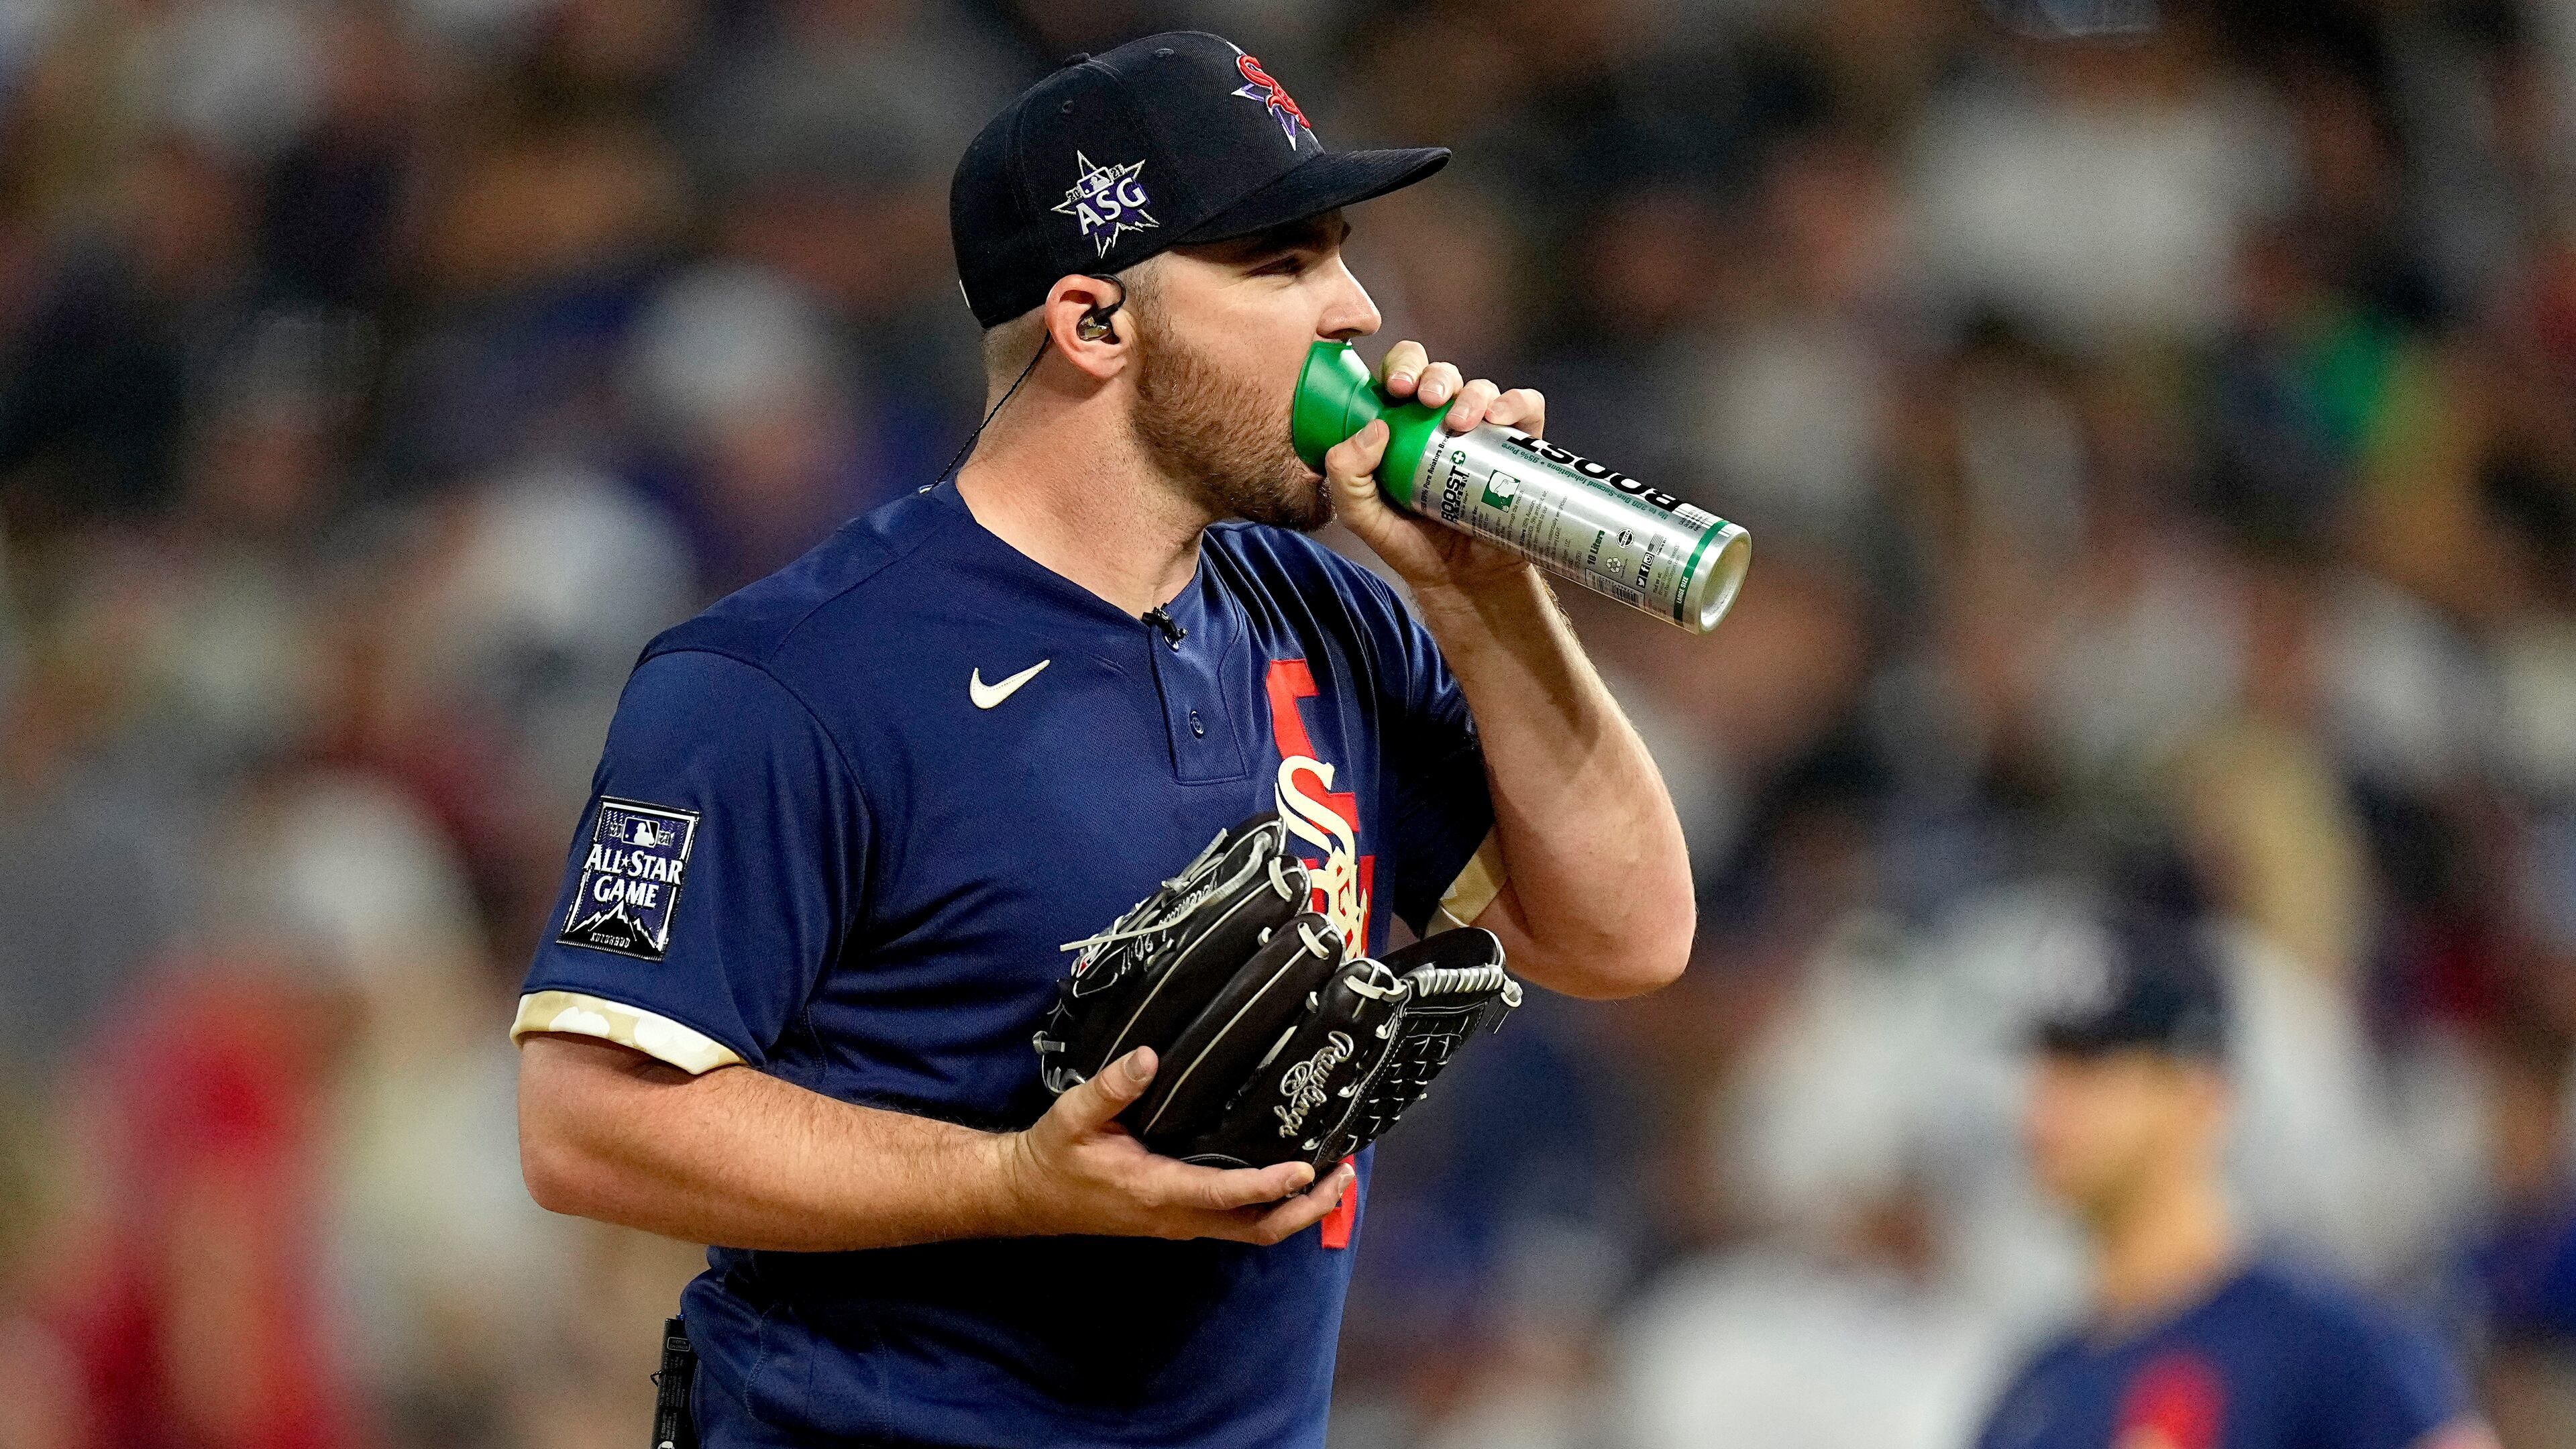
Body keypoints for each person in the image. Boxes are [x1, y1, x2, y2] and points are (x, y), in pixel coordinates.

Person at [509, 31, 1695, 1449]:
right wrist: (1013, 1182)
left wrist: (1485, 600)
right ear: (1094, 324)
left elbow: (1627, 938)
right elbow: (586, 1123)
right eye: (1280, 262)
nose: (1357, 307)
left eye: (1337, 253)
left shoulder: (1328, 617)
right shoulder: (787, 678)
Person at [1974, 908, 2496, 1449]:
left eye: (2087, 1068)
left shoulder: (2325, 1348)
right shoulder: (2033, 1390)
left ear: (2203, 1092)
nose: (2043, 1109)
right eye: (2042, 1067)